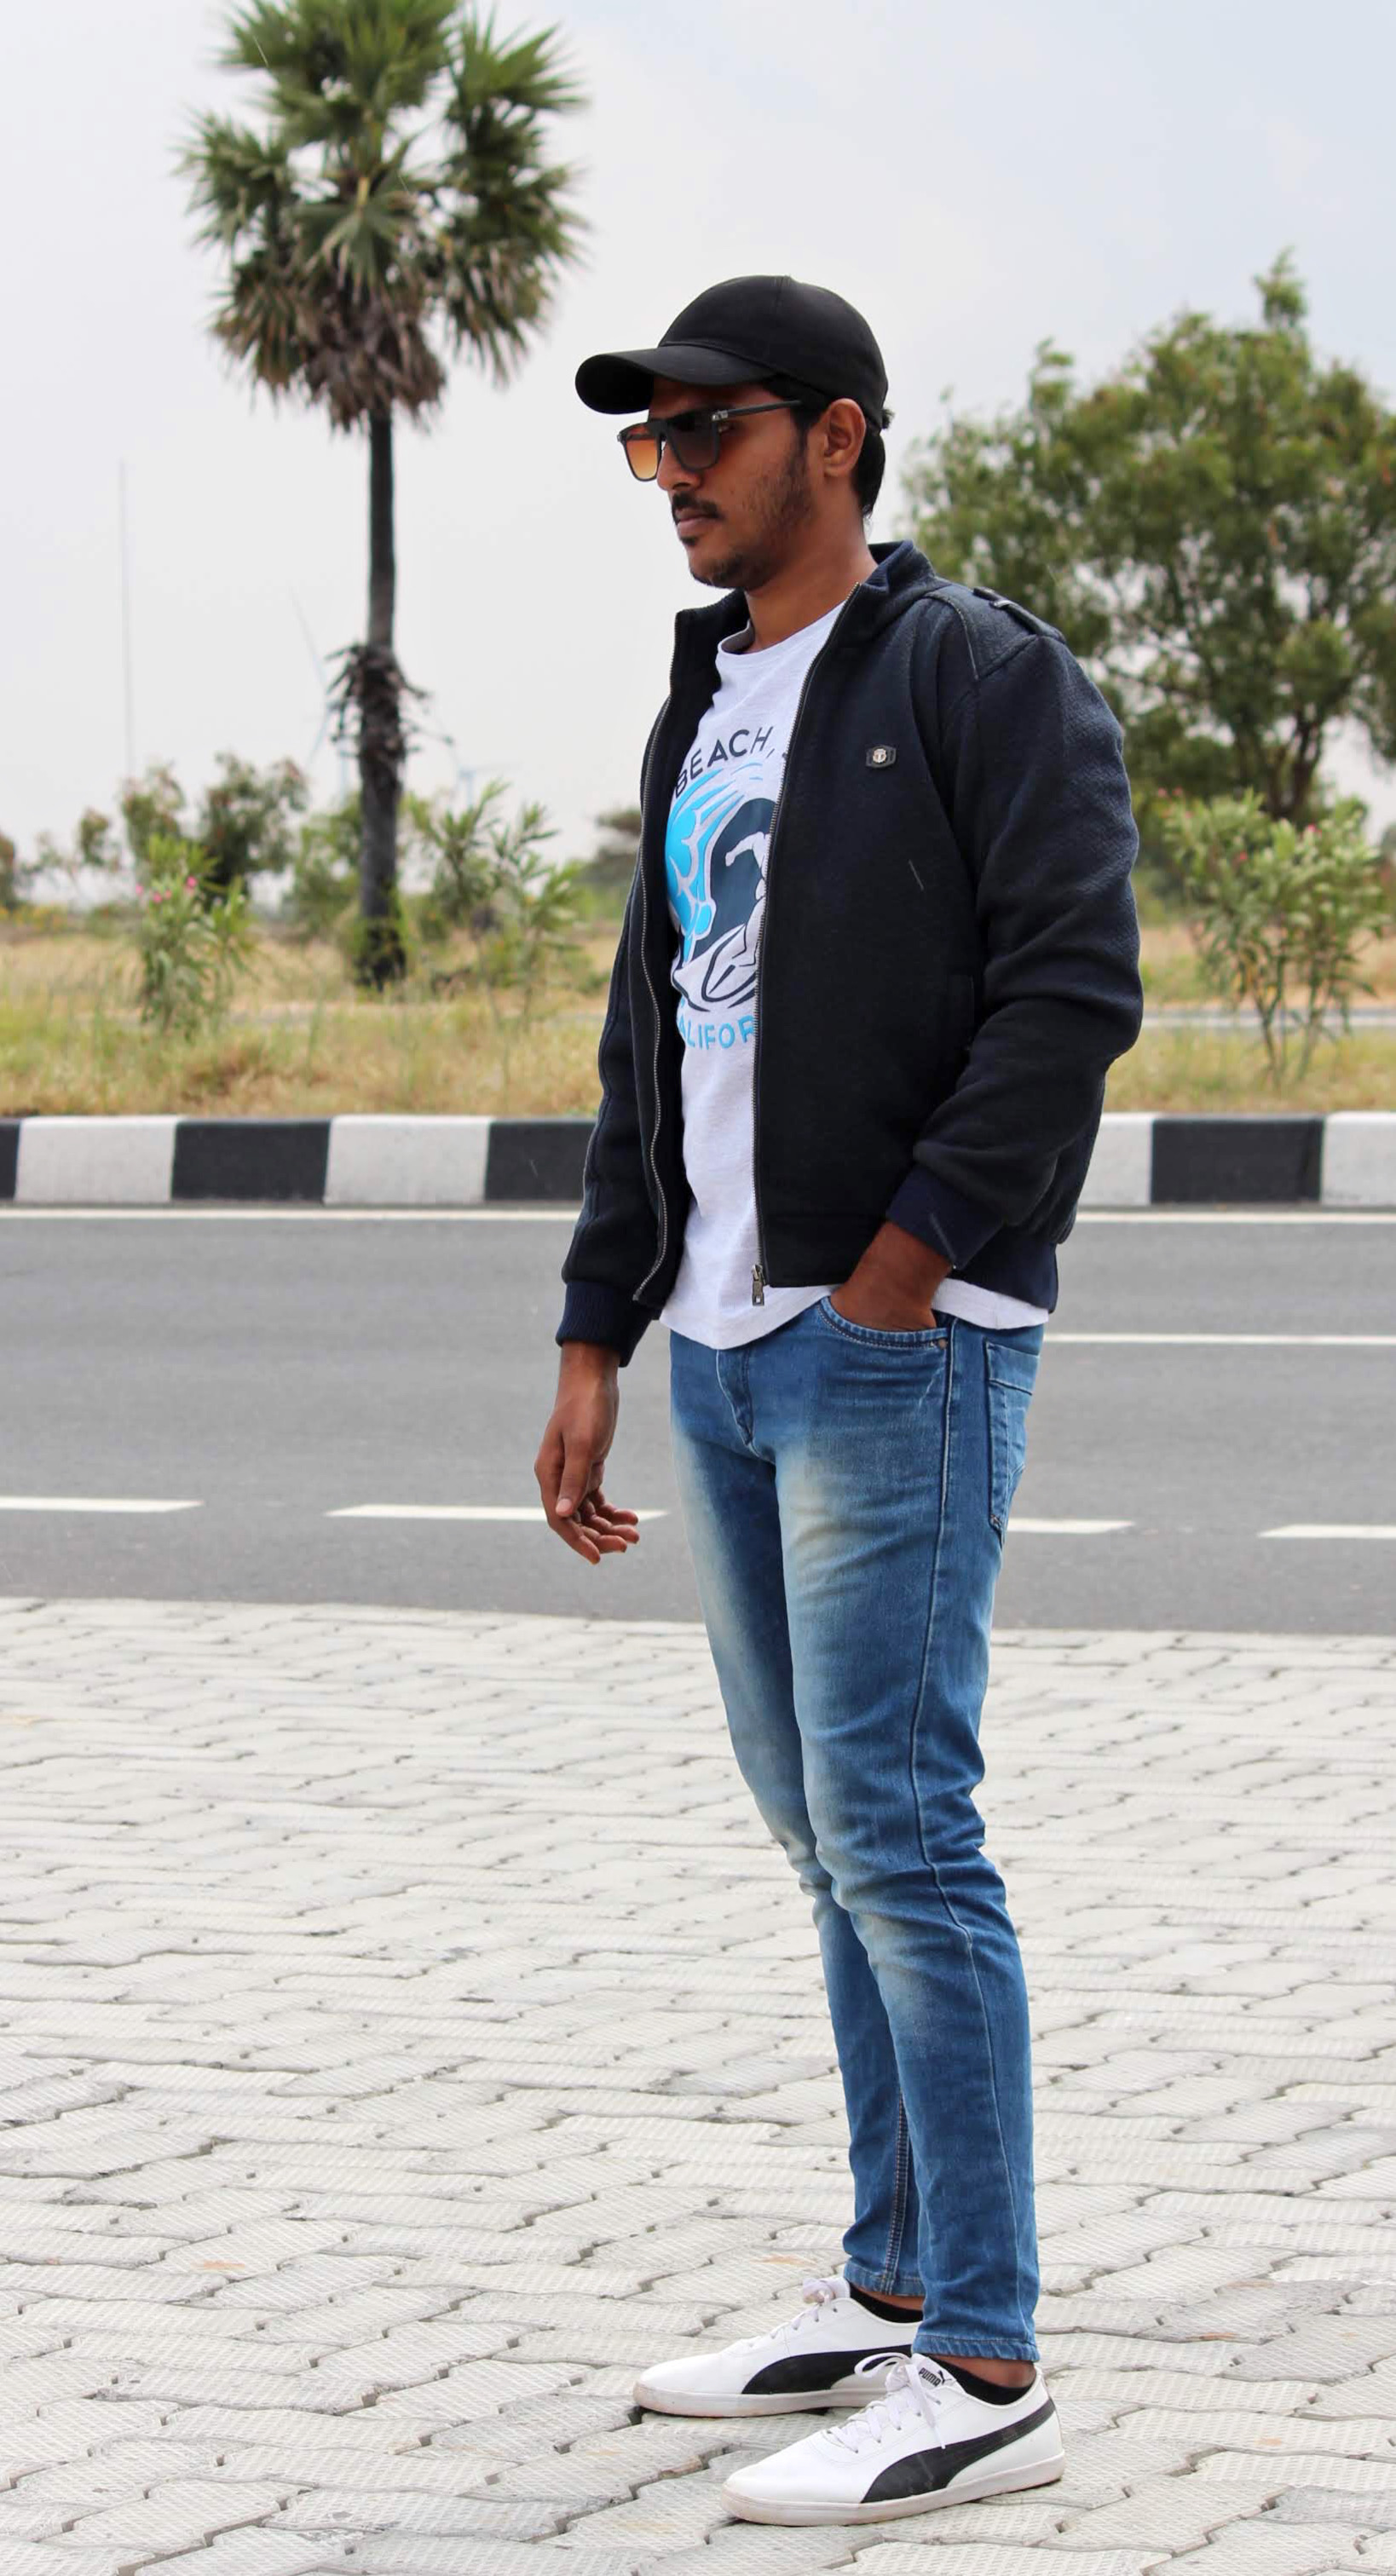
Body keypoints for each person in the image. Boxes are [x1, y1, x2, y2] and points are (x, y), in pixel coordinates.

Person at [533, 274, 1142, 2529]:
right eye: (651, 439)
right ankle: (890, 2284)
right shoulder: (706, 701)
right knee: (821, 1834)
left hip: (896, 1340)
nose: (673, 472)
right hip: (714, 1345)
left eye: (709, 429)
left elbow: (1073, 989)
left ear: (841, 436)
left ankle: (980, 2353)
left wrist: (903, 1266)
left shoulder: (977, 675)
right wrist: (600, 1327)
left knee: (904, 1831)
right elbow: (653, 1043)